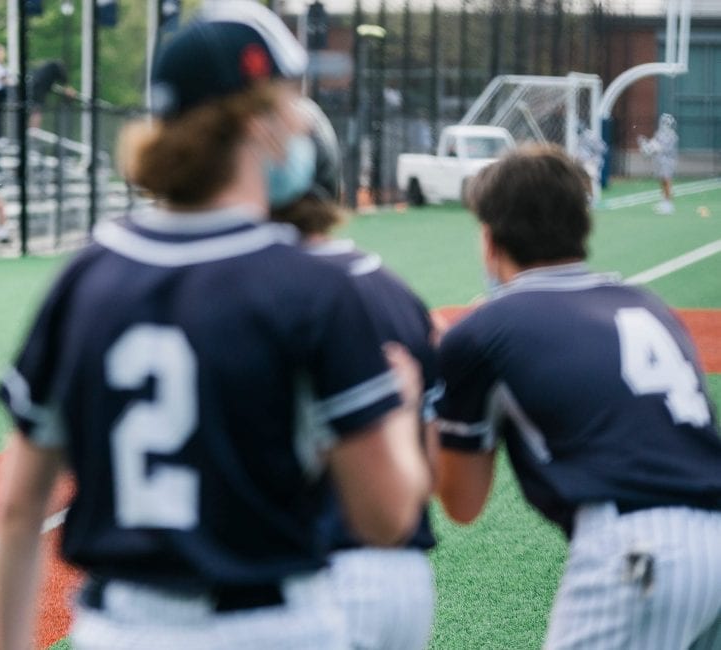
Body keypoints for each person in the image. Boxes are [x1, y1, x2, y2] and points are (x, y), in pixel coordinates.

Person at [0, 4, 430, 648]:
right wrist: (403, 409)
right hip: (268, 624)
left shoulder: (86, 276)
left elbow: (18, 507)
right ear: (257, 121)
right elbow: (387, 516)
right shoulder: (311, 286)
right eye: (287, 99)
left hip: (119, 627)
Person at [434, 143, 721, 649]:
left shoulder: (485, 332)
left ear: (490, 237)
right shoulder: (645, 304)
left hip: (636, 549)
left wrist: (429, 393)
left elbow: (462, 502)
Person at [270, 97, 439, 650]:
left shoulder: (234, 291)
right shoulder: (396, 293)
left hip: (294, 573)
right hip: (399, 580)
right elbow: (431, 470)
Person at [638, 113, 679, 214]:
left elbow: (665, 148)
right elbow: (653, 145)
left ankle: (669, 204)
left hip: (668, 161)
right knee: (662, 182)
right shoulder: (659, 133)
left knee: (667, 181)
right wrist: (646, 146)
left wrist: (654, 147)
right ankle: (664, 201)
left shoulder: (672, 135)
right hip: (660, 161)